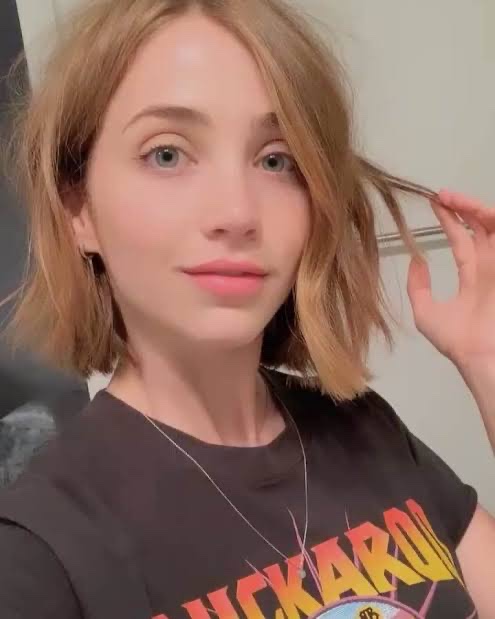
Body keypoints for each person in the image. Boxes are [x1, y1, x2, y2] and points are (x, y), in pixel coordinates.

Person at [0, 0, 494, 616]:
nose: (237, 213)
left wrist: (488, 363)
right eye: (167, 154)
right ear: (79, 210)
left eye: (275, 159)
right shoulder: (40, 556)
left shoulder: (367, 428)